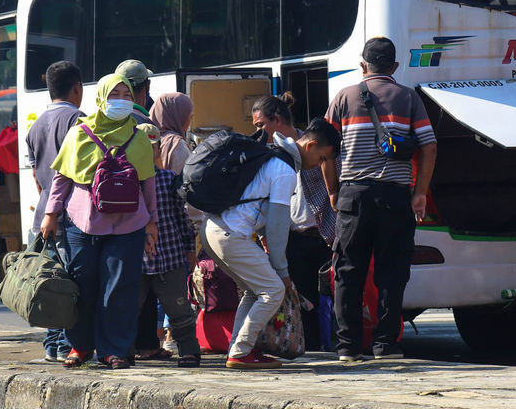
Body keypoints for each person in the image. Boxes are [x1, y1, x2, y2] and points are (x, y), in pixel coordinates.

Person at [323, 37, 438, 361]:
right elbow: (429, 146)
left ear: (363, 66)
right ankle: (386, 345)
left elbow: (325, 150)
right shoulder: (409, 98)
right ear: (395, 67)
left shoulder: (343, 97)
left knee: (348, 272)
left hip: (353, 197)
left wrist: (333, 190)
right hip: (395, 198)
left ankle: (347, 346)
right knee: (392, 271)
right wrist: (419, 193)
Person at [200, 118, 341, 369]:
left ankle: (240, 347)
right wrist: (283, 273)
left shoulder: (272, 157)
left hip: (212, 229)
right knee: (273, 290)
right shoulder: (284, 171)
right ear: (309, 146)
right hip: (231, 235)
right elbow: (277, 228)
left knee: (255, 291)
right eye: (322, 158)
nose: (321, 165)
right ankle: (241, 351)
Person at [41, 73, 160, 370]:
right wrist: (50, 214)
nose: (121, 100)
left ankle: (114, 350)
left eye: (127, 95)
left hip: (129, 225)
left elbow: (148, 184)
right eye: (114, 94)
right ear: (101, 97)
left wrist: (151, 224)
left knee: (120, 289)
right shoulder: (79, 133)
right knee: (81, 288)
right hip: (82, 224)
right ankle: (79, 346)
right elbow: (62, 178)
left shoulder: (141, 137)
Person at [252, 94, 336, 350]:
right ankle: (307, 348)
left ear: (277, 120)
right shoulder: (272, 155)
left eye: (259, 126)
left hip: (323, 236)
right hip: (292, 240)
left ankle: (331, 348)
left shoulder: (315, 143)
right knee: (302, 301)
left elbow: (333, 188)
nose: (256, 132)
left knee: (329, 302)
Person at [25, 60, 84, 362]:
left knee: (50, 282)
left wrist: (48, 206)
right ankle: (64, 344)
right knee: (70, 281)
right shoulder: (79, 121)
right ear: (77, 88)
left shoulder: (35, 126)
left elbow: (37, 176)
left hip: (44, 217)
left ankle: (52, 343)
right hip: (71, 217)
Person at [133, 122, 202, 367]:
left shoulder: (168, 178)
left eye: (151, 148)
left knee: (178, 307)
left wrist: (189, 249)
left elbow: (181, 217)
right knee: (131, 307)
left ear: (158, 152)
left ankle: (189, 351)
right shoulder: (127, 182)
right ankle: (122, 350)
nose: (147, 153)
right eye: (140, 148)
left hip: (170, 256)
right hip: (137, 260)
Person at [149, 92, 194, 174]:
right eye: (190, 116)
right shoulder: (177, 145)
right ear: (178, 117)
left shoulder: (145, 137)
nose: (190, 122)